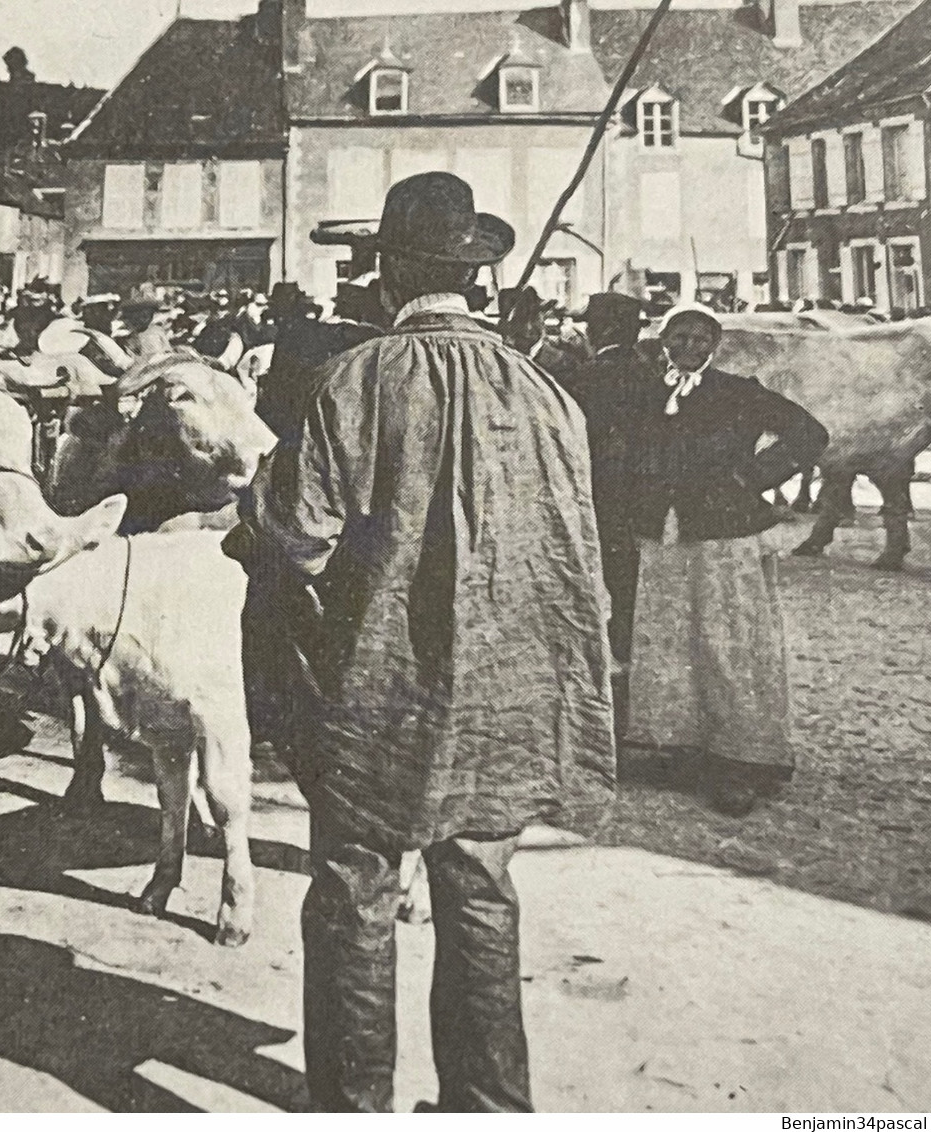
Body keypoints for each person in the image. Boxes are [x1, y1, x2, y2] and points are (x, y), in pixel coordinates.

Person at [230, 172, 616, 1112]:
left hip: (375, 693)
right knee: (481, 891)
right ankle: (488, 1108)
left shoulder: (354, 379)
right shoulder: (546, 393)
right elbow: (576, 554)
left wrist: (253, 513)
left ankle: (352, 1108)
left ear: (391, 273)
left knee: (356, 894)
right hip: (507, 693)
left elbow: (293, 534)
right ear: (476, 277)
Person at [622, 303, 828, 816]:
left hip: (724, 536)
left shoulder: (739, 392)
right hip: (663, 535)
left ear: (715, 345)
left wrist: (751, 479)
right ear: (663, 340)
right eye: (680, 336)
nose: (690, 346)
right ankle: (679, 746)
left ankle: (739, 759)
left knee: (728, 640)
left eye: (701, 338)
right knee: (670, 638)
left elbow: (809, 435)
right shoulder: (645, 393)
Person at [569, 293, 650, 692]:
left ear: (602, 330)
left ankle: (612, 652)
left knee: (605, 569)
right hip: (646, 492)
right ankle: (632, 648)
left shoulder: (586, 375)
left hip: (600, 489)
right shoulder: (653, 372)